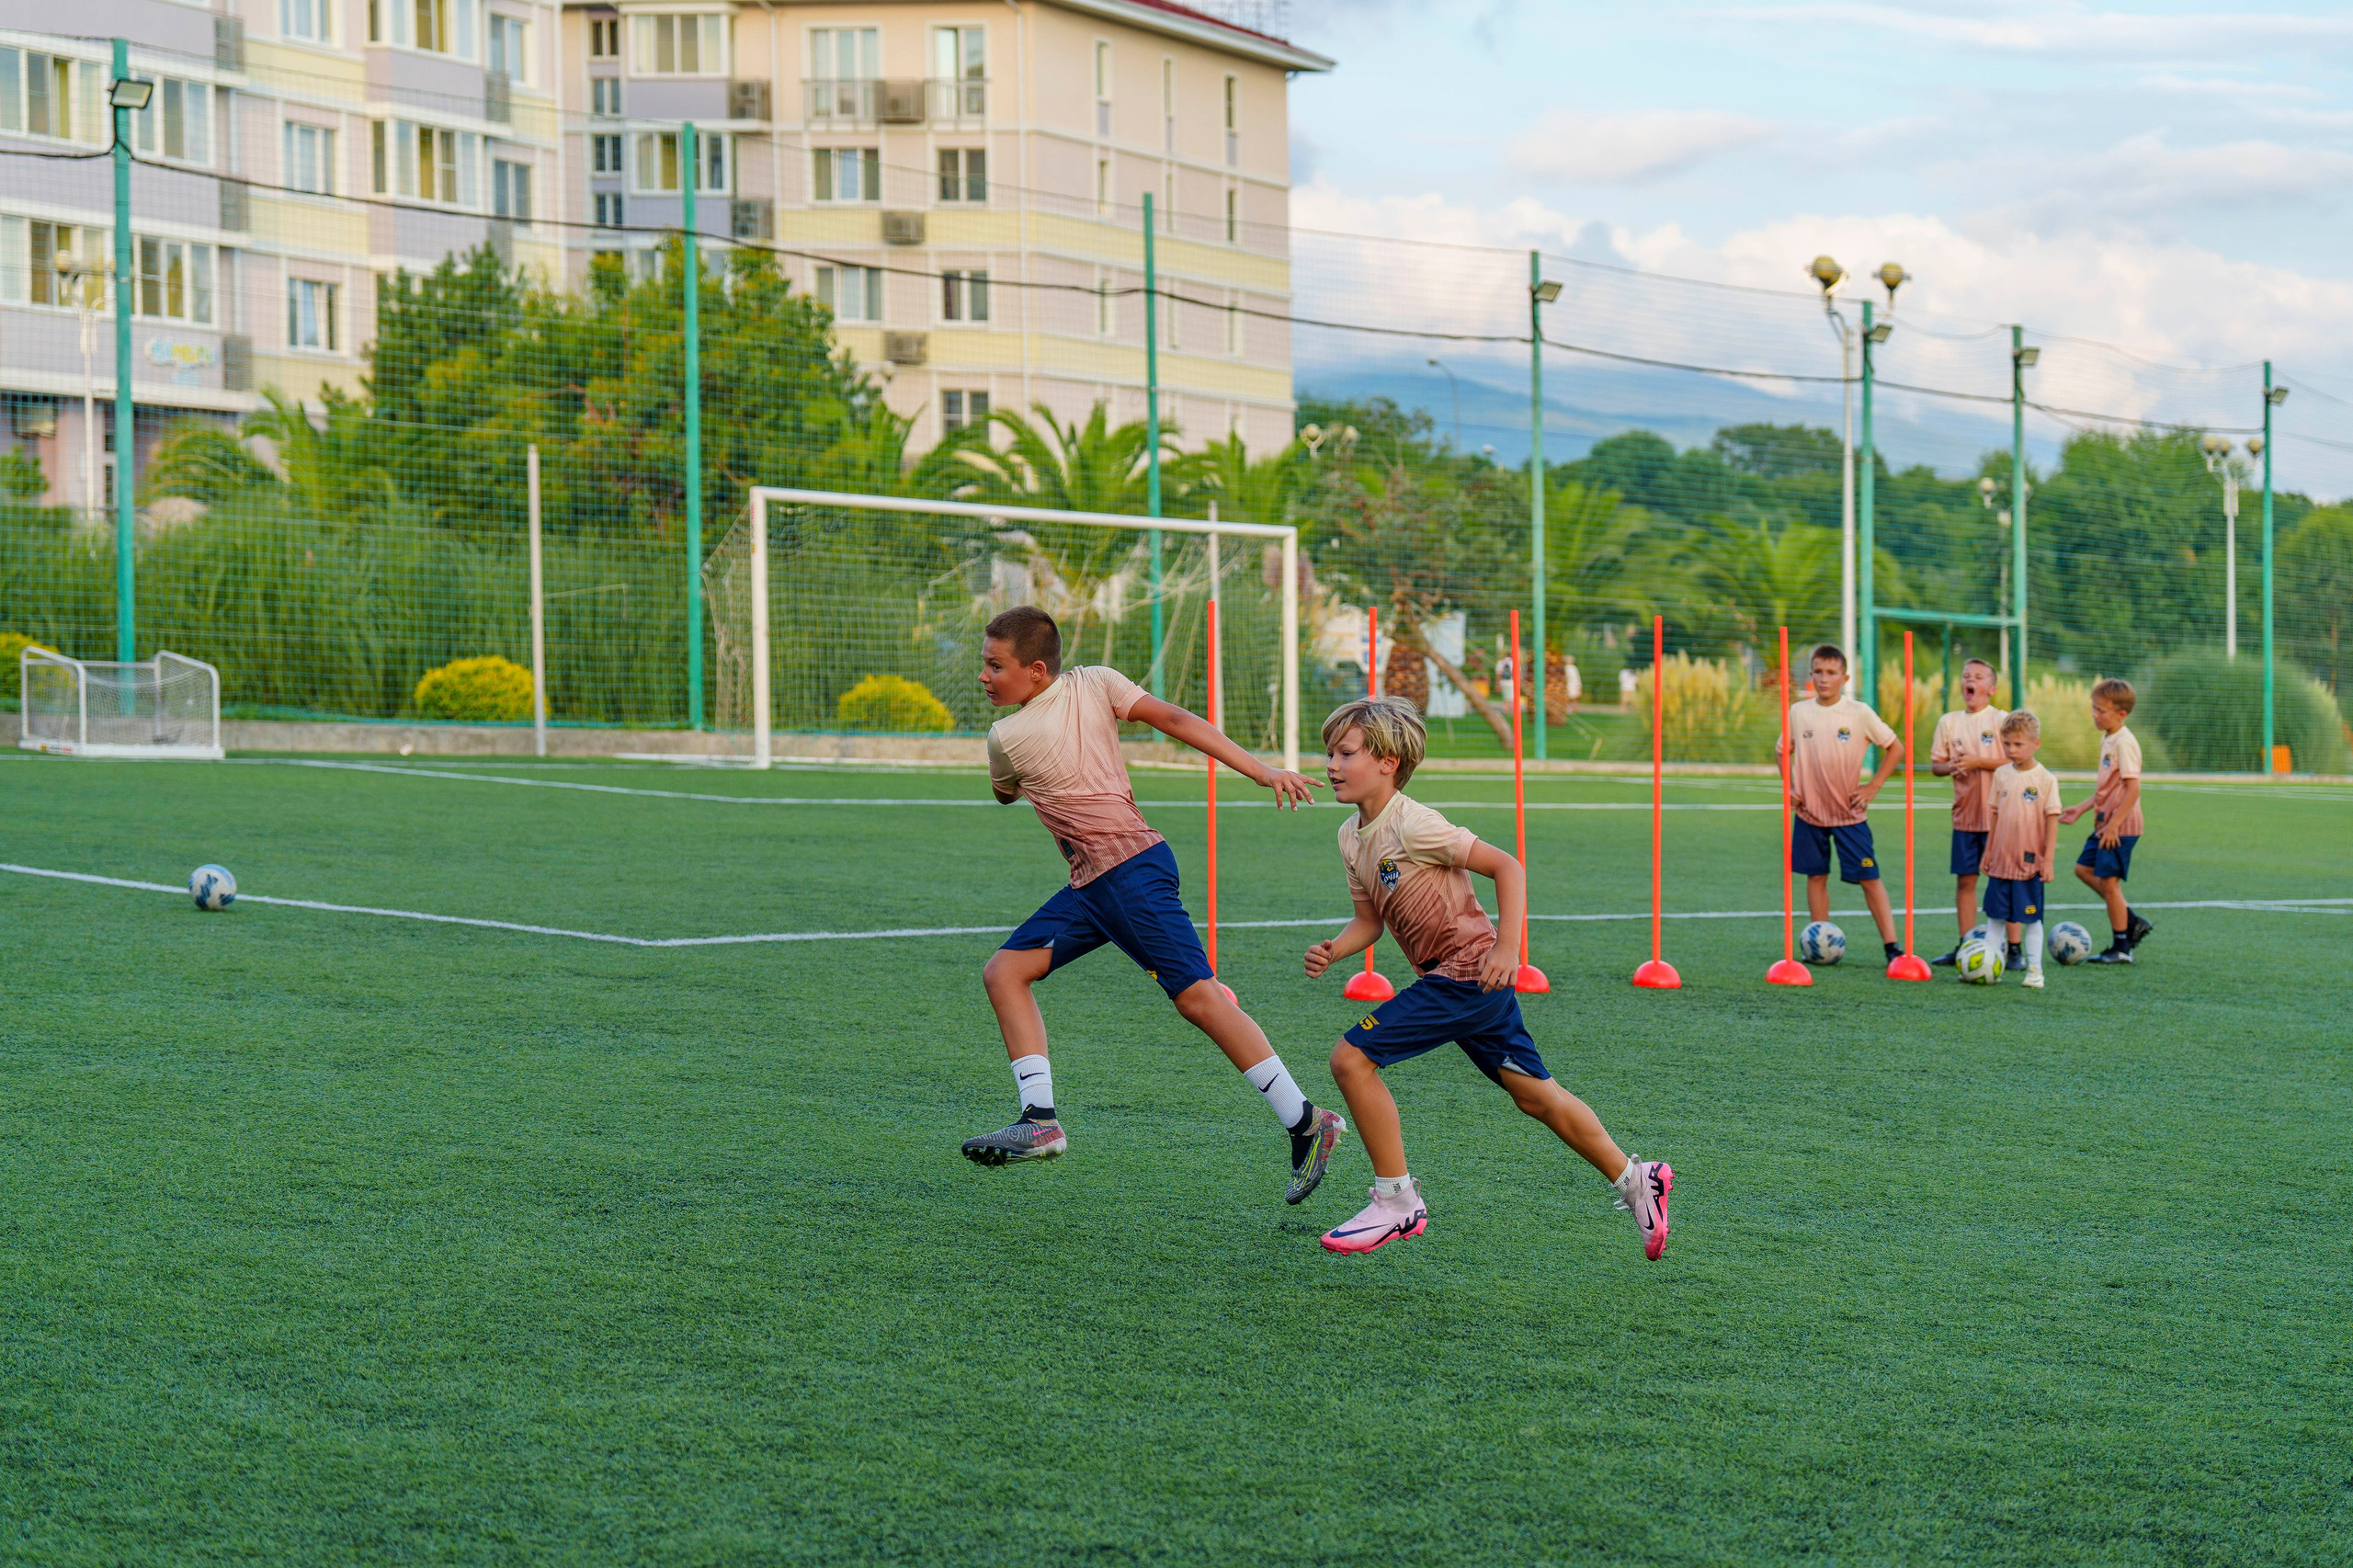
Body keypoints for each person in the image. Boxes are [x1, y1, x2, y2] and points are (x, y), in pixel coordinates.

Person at [962, 606, 1349, 1204]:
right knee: (1006, 971)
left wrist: (1010, 778)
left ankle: (1307, 1121)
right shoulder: (1097, 681)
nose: (983, 678)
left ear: (1035, 670)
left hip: (1125, 877)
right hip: (1103, 880)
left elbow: (1003, 792)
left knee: (1200, 999)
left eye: (995, 666)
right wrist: (1258, 768)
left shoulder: (1005, 738)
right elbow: (1172, 718)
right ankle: (1039, 1119)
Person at [1301, 696, 1672, 1259]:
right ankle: (1636, 1178)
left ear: (1388, 762)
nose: (1331, 763)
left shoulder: (1415, 823)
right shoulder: (1350, 836)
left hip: (1467, 976)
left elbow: (1507, 866)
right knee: (1535, 1096)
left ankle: (1396, 1200)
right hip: (1459, 982)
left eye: (1345, 752)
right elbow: (1369, 920)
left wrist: (1508, 948)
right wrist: (1337, 949)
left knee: (1351, 1059)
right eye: (1330, 751)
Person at [1779, 644, 1906, 964]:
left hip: (1850, 815)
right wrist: (1789, 786)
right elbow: (1782, 751)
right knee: (1816, 876)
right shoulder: (1799, 712)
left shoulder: (1859, 713)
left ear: (1844, 677)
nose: (1824, 679)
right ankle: (1818, 944)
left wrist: (1873, 786)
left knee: (1868, 877)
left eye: (1831, 673)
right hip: (1809, 814)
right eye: (1818, 672)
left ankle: (1892, 948)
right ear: (1811, 675)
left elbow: (1895, 748)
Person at [2058, 676, 2152, 964]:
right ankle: (2131, 920)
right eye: (2094, 709)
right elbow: (2108, 788)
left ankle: (2122, 947)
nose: (2095, 715)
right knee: (2083, 869)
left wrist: (2113, 826)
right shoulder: (2109, 737)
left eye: (2101, 711)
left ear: (2121, 714)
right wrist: (2083, 808)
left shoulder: (2125, 742)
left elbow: (2132, 788)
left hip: (2120, 827)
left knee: (2110, 885)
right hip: (2105, 824)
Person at [1926, 657, 2009, 964]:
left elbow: (2016, 761)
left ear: (1992, 688)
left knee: (2003, 882)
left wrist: (1979, 762)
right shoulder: (1949, 722)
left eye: (1977, 676)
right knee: (1965, 881)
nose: (1969, 680)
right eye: (1965, 676)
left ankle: (2012, 949)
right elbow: (1936, 765)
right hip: (1965, 817)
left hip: (1999, 818)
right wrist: (1951, 766)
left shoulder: (2002, 720)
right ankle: (1966, 945)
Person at [1982, 710, 2063, 990]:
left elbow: (2052, 820)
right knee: (1994, 917)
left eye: (2018, 744)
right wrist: (1988, 851)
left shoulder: (2045, 779)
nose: (2011, 750)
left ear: (2035, 744)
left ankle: (2035, 971)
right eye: (2007, 744)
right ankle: (1988, 967)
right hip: (2001, 862)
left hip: (2028, 864)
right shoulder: (2001, 774)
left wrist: (2048, 859)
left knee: (2032, 918)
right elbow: (1993, 815)